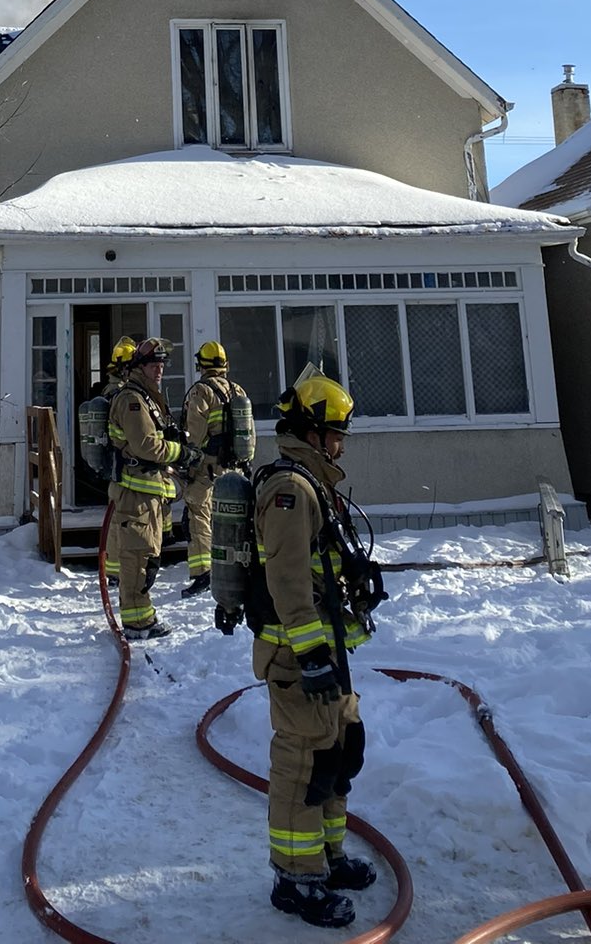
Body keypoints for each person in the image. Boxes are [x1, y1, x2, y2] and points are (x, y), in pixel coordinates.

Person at [254, 372, 380, 929]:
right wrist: (309, 655)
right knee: (304, 763)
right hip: (297, 657)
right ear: (312, 433)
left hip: (328, 653)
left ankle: (327, 856)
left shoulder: (314, 485)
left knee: (337, 755)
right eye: (336, 435)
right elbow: (286, 580)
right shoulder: (290, 490)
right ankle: (295, 879)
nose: (341, 446)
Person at [106, 336, 198, 640]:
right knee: (137, 558)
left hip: (148, 491)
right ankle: (137, 622)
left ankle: (141, 615)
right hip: (136, 494)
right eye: (152, 364)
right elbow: (145, 445)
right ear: (139, 367)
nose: (159, 369)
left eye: (162, 364)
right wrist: (181, 453)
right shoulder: (132, 400)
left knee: (146, 556)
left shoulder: (146, 397)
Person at [179, 339, 252, 597]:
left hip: (207, 467)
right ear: (225, 365)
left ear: (201, 364)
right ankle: (235, 567)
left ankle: (204, 573)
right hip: (235, 467)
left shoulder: (201, 391)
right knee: (231, 518)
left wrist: (186, 462)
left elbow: (195, 435)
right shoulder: (238, 390)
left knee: (198, 515)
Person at [101, 335, 136, 585]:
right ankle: (114, 571)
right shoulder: (120, 394)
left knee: (118, 517)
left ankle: (115, 569)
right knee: (118, 518)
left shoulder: (113, 390)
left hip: (119, 462)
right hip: (122, 462)